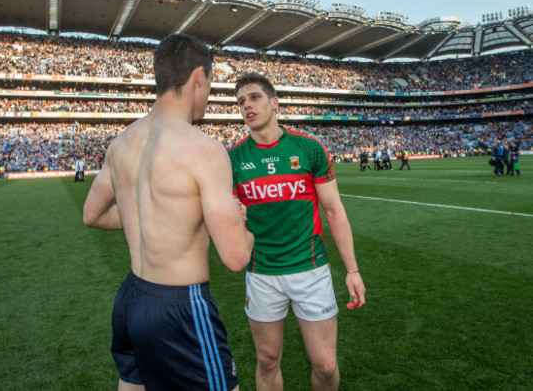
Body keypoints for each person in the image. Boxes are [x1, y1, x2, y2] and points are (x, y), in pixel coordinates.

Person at [83, 34, 254, 391]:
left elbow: (93, 215)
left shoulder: (122, 142)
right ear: (197, 78)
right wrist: (243, 225)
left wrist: (142, 218)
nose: (208, 93)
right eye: (209, 83)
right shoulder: (203, 149)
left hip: (131, 297)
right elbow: (236, 256)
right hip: (180, 305)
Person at [228, 73, 366, 391]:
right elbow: (228, 219)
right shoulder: (233, 159)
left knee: (326, 366)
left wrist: (352, 270)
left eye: (254, 97)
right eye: (241, 102)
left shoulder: (308, 149)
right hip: (262, 273)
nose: (247, 105)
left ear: (275, 103)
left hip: (311, 269)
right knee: (267, 361)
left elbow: (333, 210)